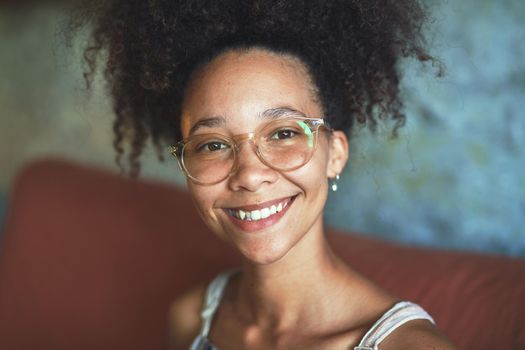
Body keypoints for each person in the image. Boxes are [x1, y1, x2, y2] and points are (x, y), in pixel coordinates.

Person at [70, 0, 455, 349]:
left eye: (283, 133)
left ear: (335, 154)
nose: (250, 176)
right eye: (213, 144)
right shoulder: (191, 320)